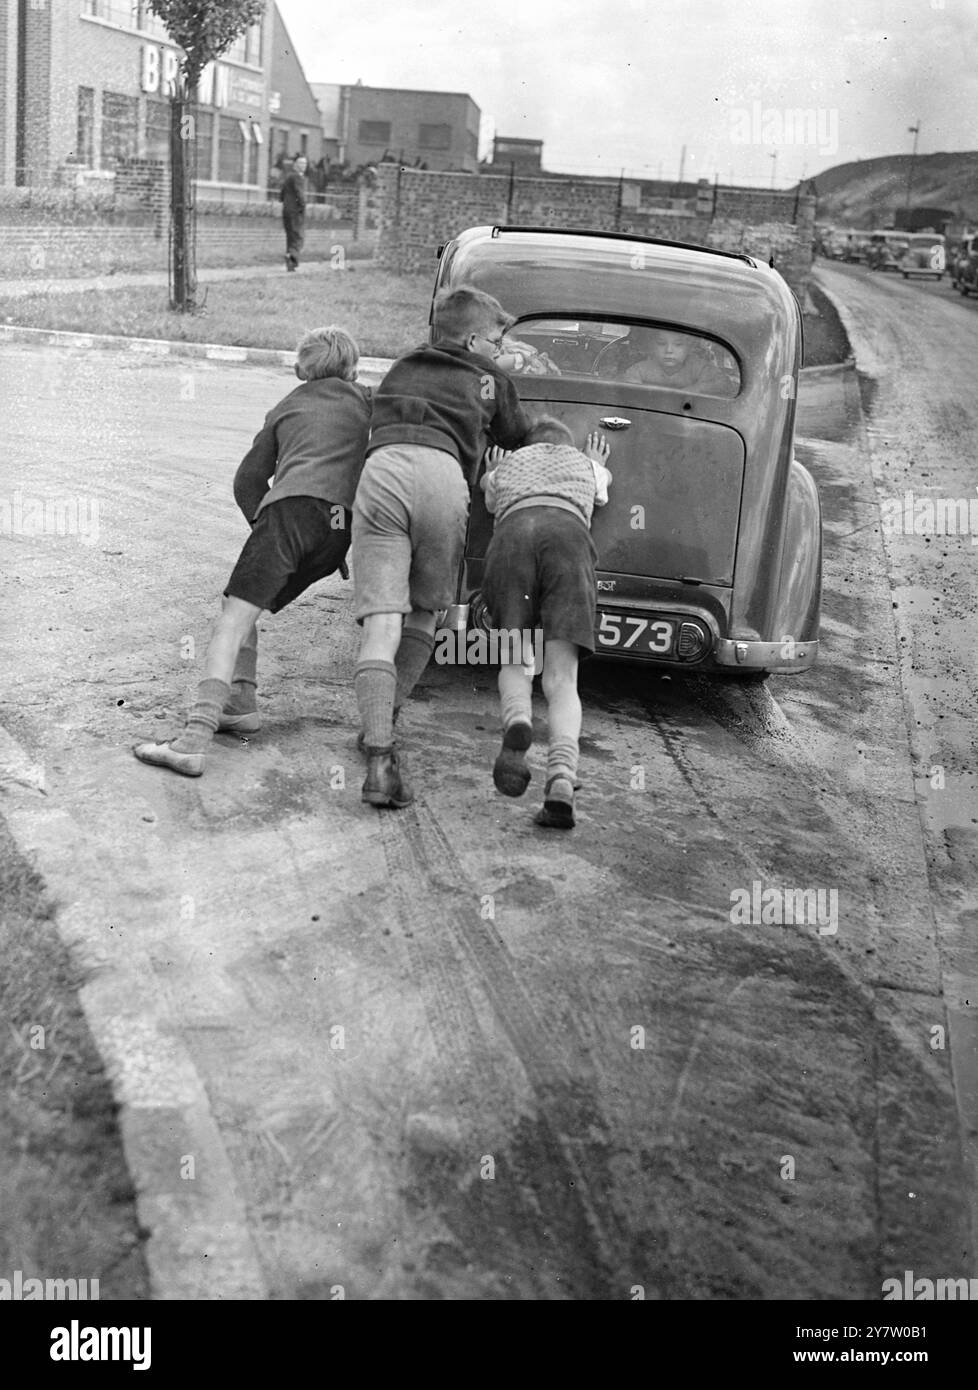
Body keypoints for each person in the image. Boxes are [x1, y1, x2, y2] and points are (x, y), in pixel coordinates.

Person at [133, 326, 371, 778]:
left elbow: (247, 482)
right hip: (340, 529)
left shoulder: (286, 407)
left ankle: (192, 740)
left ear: (301, 369)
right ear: (353, 368)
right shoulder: (368, 401)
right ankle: (239, 704)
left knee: (233, 618)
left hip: (289, 515)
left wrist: (268, 532)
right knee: (241, 607)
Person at [352, 285, 530, 808]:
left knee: (380, 624)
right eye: (497, 340)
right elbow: (516, 432)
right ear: (475, 339)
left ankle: (379, 753)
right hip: (440, 475)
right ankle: (382, 724)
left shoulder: (405, 364)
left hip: (381, 469)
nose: (499, 350)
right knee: (425, 615)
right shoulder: (489, 377)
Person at [479, 418, 612, 829]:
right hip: (567, 541)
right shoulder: (587, 466)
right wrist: (594, 463)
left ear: (526, 448)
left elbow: (489, 501)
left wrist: (491, 472)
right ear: (568, 446)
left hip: (513, 537)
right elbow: (602, 492)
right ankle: (561, 778)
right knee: (562, 679)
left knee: (515, 660)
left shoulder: (508, 468)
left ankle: (518, 718)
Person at [623, 328, 734, 395]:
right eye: (661, 343)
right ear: (652, 347)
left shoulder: (698, 367)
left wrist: (697, 389)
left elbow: (724, 383)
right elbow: (629, 387)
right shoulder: (641, 369)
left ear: (689, 348)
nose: (669, 350)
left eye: (678, 345)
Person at [279, 155, 308, 271]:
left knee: (290, 236)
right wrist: (303, 205)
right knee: (298, 237)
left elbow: (281, 195)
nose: (303, 166)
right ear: (295, 165)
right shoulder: (298, 177)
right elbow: (300, 194)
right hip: (296, 212)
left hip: (286, 211)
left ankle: (290, 263)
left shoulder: (288, 177)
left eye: (305, 164)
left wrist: (286, 203)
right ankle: (291, 256)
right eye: (301, 163)